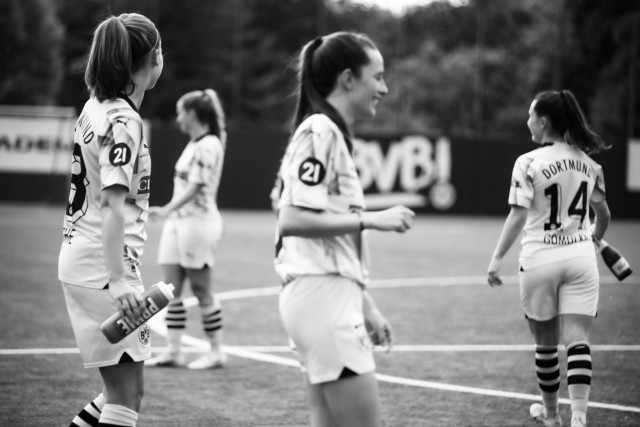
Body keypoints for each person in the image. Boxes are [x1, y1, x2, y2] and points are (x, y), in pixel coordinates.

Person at [272, 32, 415, 427]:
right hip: (322, 300)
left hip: (324, 297)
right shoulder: (321, 130)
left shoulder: (326, 132)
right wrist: (372, 218)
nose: (384, 89)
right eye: (378, 77)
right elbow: (291, 220)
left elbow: (329, 239)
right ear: (349, 79)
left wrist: (365, 306)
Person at [58, 13, 163, 427]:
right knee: (126, 396)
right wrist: (119, 279)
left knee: (116, 391)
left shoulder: (95, 105)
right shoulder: (123, 119)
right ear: (153, 58)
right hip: (104, 269)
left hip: (82, 260)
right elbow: (112, 203)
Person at [487, 90, 611, 427]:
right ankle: (579, 418)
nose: (527, 121)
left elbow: (517, 215)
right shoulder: (590, 164)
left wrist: (497, 258)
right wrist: (595, 237)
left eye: (530, 115)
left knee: (545, 344)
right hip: (581, 258)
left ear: (543, 122)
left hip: (540, 257)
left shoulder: (528, 162)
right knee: (578, 339)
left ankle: (552, 414)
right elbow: (603, 214)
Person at [145, 89, 227, 370]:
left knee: (202, 290)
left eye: (181, 112)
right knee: (171, 289)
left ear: (192, 114)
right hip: (178, 223)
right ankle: (174, 351)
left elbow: (196, 187)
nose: (178, 118)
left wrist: (166, 209)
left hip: (198, 224)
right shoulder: (194, 143)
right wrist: (171, 214)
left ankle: (216, 351)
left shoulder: (209, 144)